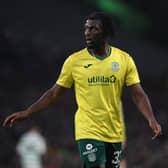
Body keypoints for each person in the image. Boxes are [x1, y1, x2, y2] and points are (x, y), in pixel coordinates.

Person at [3, 12, 161, 168]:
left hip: (114, 132)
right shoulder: (74, 61)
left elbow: (138, 94)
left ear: (106, 32)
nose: (88, 33)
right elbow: (54, 93)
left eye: (94, 29)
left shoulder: (124, 60)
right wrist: (28, 112)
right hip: (88, 130)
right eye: (86, 28)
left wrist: (151, 118)